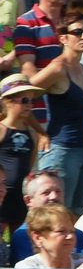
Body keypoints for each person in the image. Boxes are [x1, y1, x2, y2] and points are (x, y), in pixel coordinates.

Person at [0, 73, 46, 230]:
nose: (30, 105)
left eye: (32, 101)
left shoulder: (32, 135)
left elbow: (29, 164)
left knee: (19, 236)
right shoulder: (1, 129)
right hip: (2, 194)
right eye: (24, 100)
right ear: (8, 101)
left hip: (20, 197)